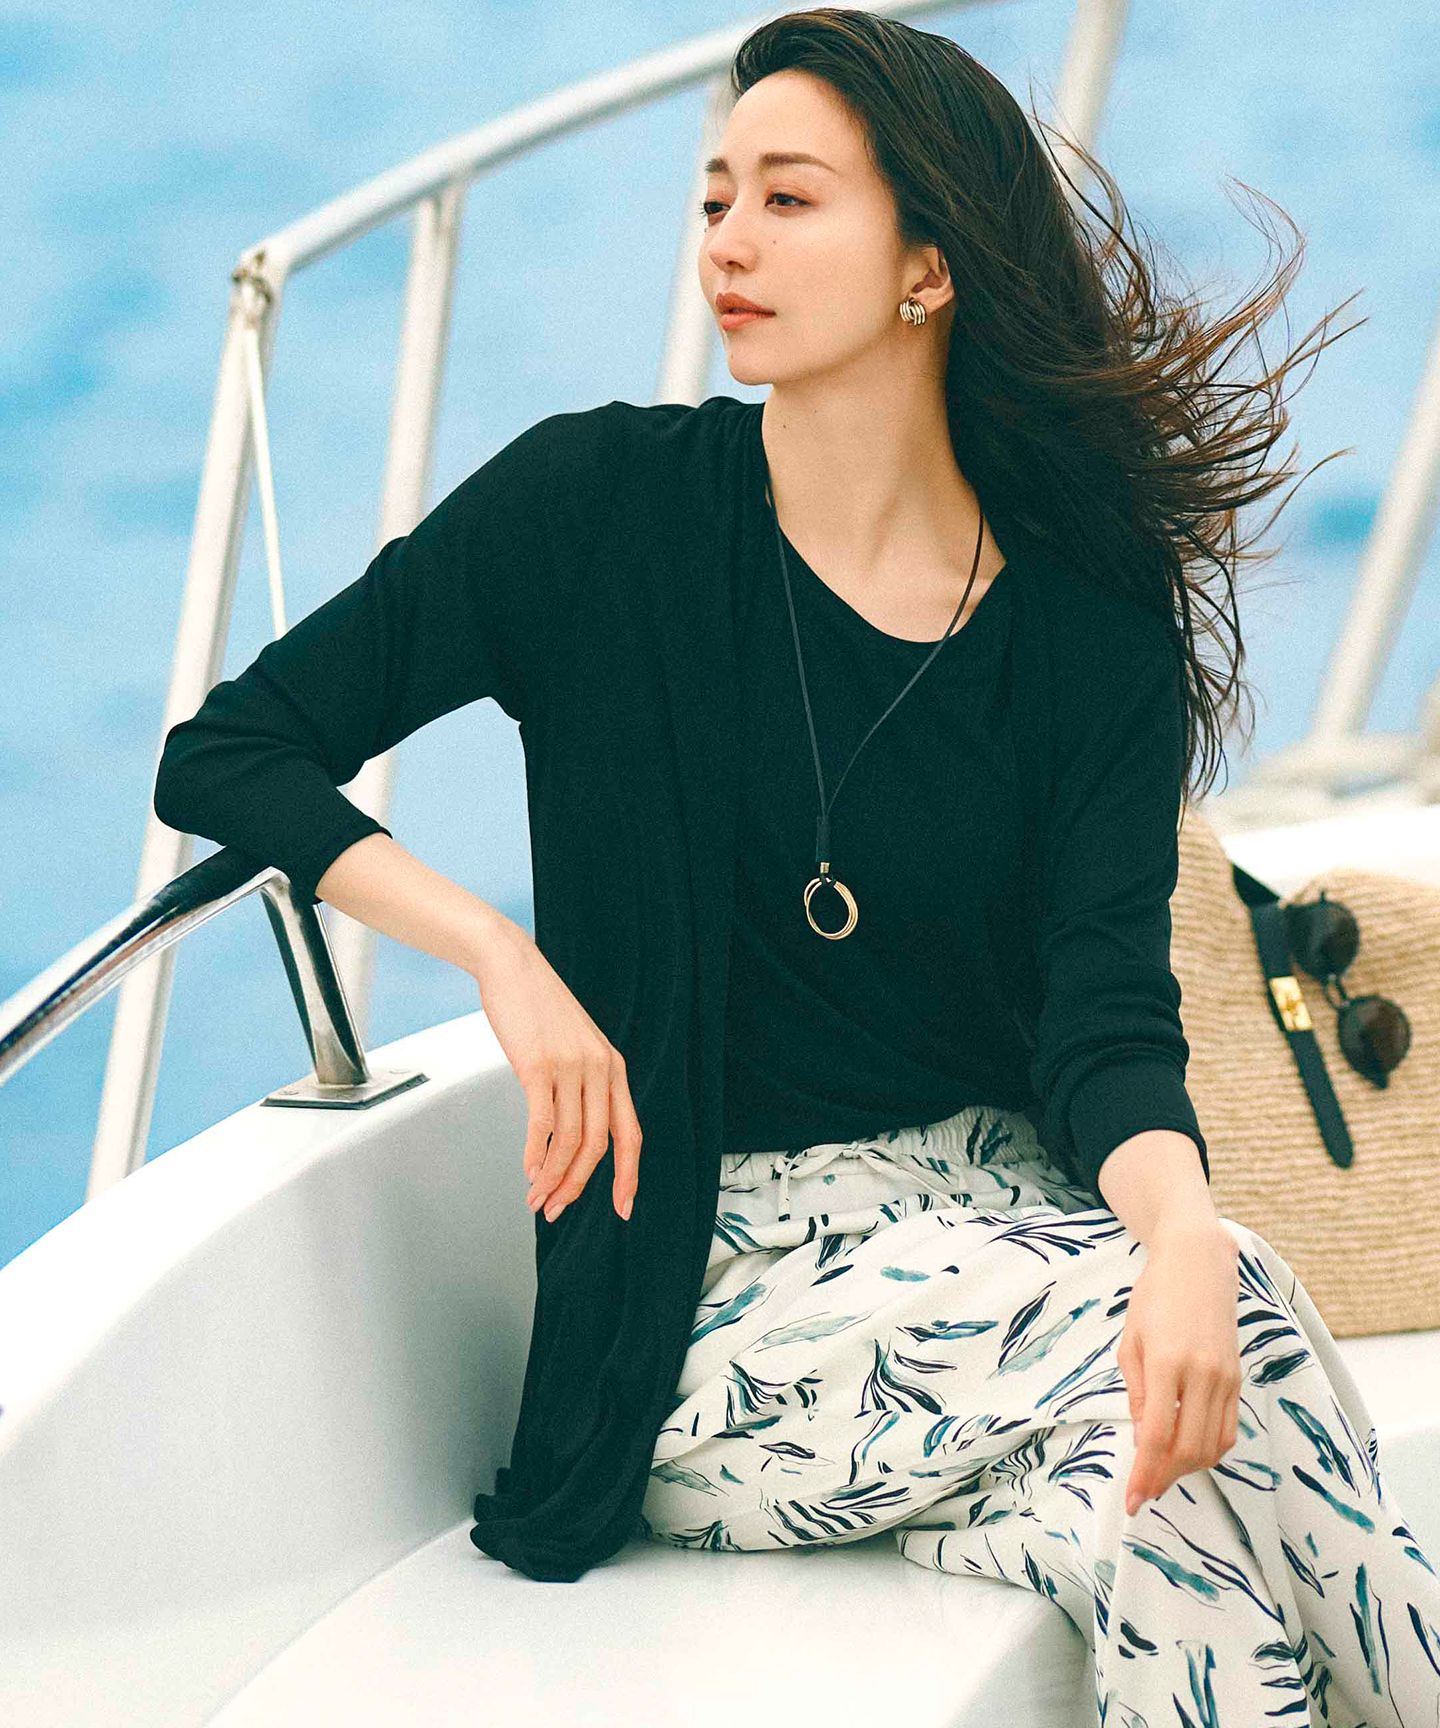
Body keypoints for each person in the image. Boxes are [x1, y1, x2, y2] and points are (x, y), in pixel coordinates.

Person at [152, 9, 1440, 1722]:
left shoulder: (1084, 616)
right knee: (1251, 1322)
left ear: (930, 265)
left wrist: (1184, 1227)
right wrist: (500, 958)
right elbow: (229, 752)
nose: (728, 244)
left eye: (787, 198)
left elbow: (1108, 1024)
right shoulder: (599, 511)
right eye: (714, 200)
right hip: (708, 1309)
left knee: (1173, 1529)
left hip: (1017, 1240)